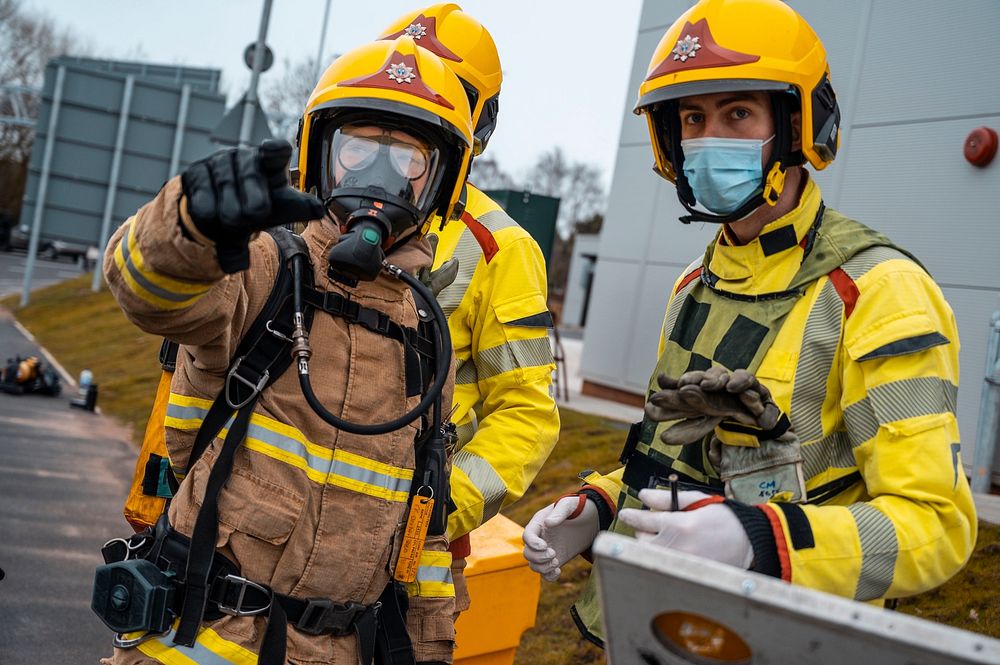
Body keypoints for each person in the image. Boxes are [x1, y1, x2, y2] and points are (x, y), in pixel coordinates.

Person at [522, 0, 977, 647]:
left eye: (737, 113)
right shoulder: (692, 286)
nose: (708, 138)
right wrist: (597, 506)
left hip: (796, 639)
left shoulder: (877, 290)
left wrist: (761, 539)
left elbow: (937, 524)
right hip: (665, 626)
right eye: (692, 118)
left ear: (797, 126)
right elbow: (672, 458)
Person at [100, 36, 473, 665]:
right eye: (356, 149)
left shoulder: (427, 337)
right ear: (319, 154)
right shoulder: (266, 270)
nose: (377, 178)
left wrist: (428, 647)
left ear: (441, 181)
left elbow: (423, 526)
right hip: (205, 639)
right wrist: (192, 225)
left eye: (407, 157)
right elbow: (146, 290)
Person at [378, 3, 560, 619]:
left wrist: (434, 505)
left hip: (412, 547)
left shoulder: (500, 248)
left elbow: (527, 415)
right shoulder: (319, 217)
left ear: (477, 123)